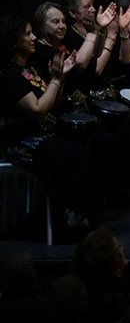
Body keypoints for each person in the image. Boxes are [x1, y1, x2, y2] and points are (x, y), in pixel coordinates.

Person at [1, 15, 106, 240]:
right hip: (20, 140)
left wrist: (62, 77)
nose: (33, 38)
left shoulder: (30, 67)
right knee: (72, 153)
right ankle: (68, 221)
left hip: (42, 133)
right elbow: (38, 109)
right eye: (27, 34)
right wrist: (56, 80)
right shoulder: (9, 74)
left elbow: (52, 103)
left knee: (96, 141)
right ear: (13, 40)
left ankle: (88, 213)